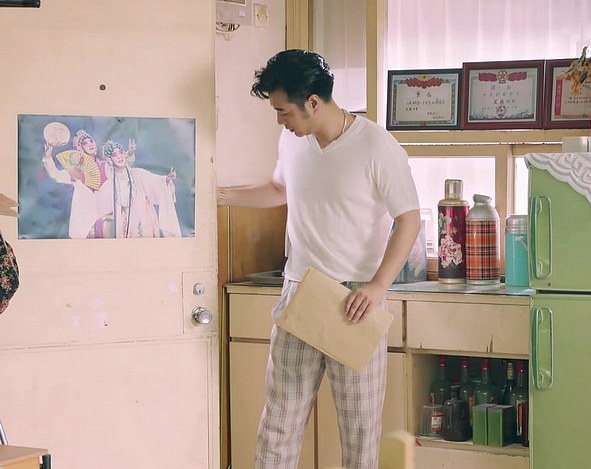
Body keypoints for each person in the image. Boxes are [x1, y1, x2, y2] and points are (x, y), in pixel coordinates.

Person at [217, 49, 420, 469]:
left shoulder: (376, 145)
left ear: (312, 101)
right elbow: (279, 189)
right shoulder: (293, 141)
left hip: (355, 301)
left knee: (360, 437)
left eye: (283, 111)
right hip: (300, 292)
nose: (280, 121)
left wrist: (378, 286)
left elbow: (409, 220)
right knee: (278, 427)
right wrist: (217, 196)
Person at [99, 140, 181, 238]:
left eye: (121, 153)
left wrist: (166, 179)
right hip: (125, 223)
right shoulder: (110, 183)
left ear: (125, 155)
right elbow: (101, 206)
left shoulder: (137, 173)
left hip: (145, 219)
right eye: (114, 155)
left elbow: (154, 181)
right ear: (109, 160)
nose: (119, 157)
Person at [42, 129, 111, 238]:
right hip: (85, 218)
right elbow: (56, 175)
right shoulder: (76, 171)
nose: (90, 144)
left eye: (91, 141)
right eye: (85, 143)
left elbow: (122, 174)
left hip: (104, 217)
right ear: (80, 148)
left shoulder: (105, 166)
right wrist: (48, 157)